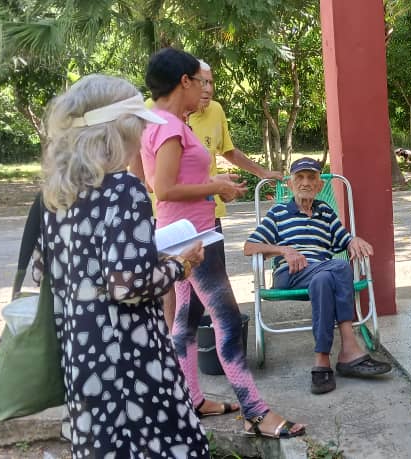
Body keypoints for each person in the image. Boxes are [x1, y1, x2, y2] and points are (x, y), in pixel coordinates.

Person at [35, 74, 209, 456]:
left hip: (81, 351)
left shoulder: (54, 195)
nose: (141, 137)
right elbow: (127, 286)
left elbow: (42, 272)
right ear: (118, 132)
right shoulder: (124, 190)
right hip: (130, 354)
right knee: (164, 445)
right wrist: (180, 265)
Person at [140, 47, 305, 439]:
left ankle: (191, 400)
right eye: (200, 81)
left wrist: (214, 185)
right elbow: (163, 188)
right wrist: (214, 186)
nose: (205, 89)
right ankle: (255, 412)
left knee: (185, 320)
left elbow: (156, 180)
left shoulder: (158, 121)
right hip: (192, 238)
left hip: (187, 233)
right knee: (227, 320)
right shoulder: (169, 127)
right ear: (184, 81)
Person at [243, 157, 392, 395]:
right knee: (340, 268)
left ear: (320, 185)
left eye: (311, 178)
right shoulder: (278, 212)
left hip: (321, 273)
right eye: (299, 177)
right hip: (290, 274)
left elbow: (344, 239)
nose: (305, 182)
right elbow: (249, 247)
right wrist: (283, 250)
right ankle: (349, 348)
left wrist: (354, 240)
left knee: (324, 279)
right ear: (290, 184)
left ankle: (322, 360)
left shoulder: (325, 211)